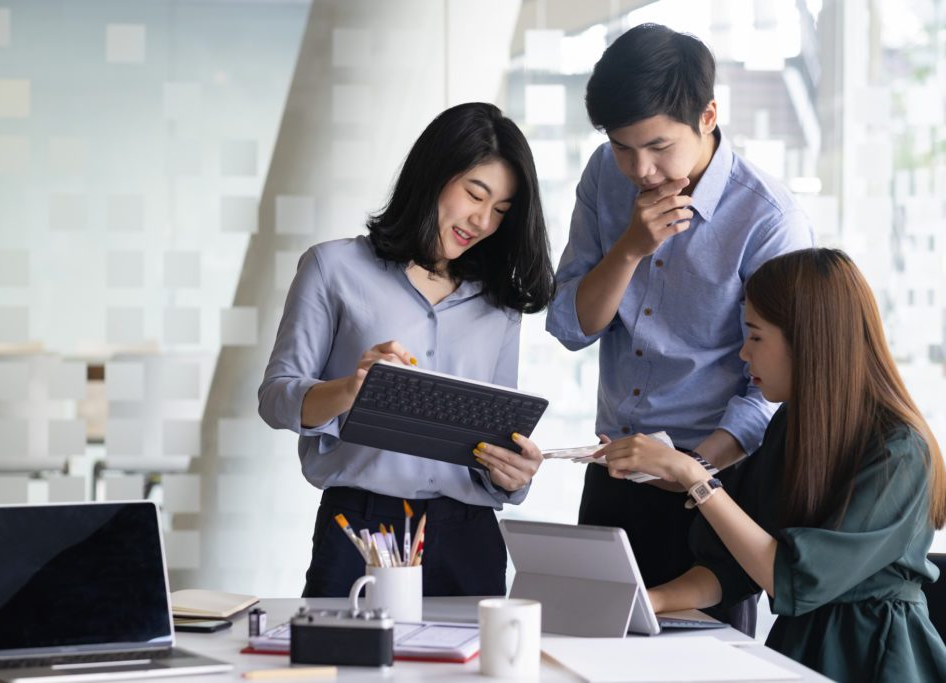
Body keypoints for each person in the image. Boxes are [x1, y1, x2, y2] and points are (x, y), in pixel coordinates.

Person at [544, 23, 814, 633]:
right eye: (622, 146)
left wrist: (690, 467)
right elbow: (571, 325)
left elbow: (776, 386)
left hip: (713, 486)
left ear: (708, 115)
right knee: (593, 647)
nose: (640, 169)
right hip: (611, 472)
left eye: (659, 147)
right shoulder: (604, 177)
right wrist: (631, 250)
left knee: (702, 662)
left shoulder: (768, 221)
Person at [600, 248, 946, 682]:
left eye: (756, 336)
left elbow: (791, 579)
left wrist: (694, 476)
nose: (744, 354)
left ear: (809, 339)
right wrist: (647, 601)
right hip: (798, 650)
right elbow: (731, 564)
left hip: (875, 658)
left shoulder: (899, 451)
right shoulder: (792, 425)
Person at [259, 102, 555, 598]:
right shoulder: (333, 269)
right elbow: (276, 399)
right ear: (434, 175)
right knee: (346, 672)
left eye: (501, 211)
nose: (482, 221)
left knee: (473, 677)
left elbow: (497, 431)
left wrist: (514, 475)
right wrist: (351, 389)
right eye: (474, 195)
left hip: (470, 535)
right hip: (361, 527)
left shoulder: (500, 306)